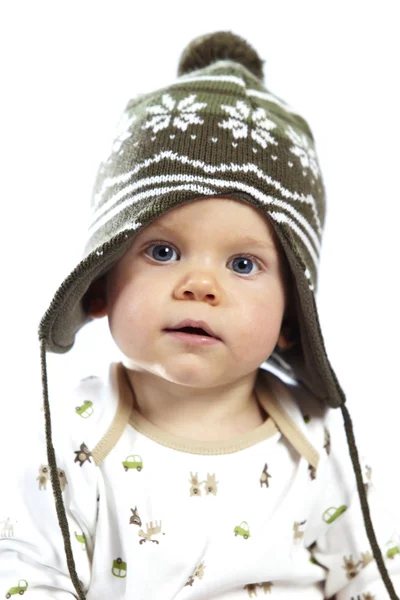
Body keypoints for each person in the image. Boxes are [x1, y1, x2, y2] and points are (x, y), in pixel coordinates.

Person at [1, 30, 399, 600]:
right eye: (162, 252)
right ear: (102, 285)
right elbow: (28, 573)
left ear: (292, 318)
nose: (200, 286)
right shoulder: (71, 433)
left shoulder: (317, 439)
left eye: (243, 263)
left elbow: (373, 575)